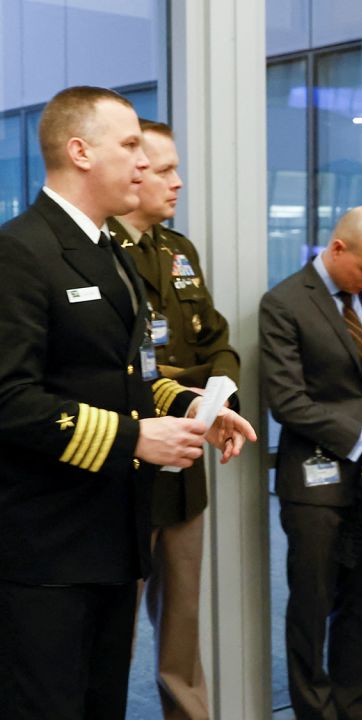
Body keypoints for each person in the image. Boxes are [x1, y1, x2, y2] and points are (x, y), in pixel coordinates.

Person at [0, 86, 255, 720]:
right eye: (132, 146)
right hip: (47, 550)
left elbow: (129, 372)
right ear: (80, 151)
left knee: (103, 704)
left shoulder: (113, 252)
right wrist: (133, 439)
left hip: (115, 537)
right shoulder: (19, 252)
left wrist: (194, 405)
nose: (145, 164)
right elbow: (10, 400)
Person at [260, 206, 362, 720]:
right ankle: (314, 712)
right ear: (337, 250)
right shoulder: (283, 304)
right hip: (315, 483)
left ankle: (353, 706)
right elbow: (287, 402)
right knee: (311, 608)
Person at [107, 119, 238, 720]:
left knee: (181, 633)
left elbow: (213, 336)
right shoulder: (98, 253)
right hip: (122, 467)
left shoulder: (178, 251)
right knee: (108, 638)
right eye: (163, 170)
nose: (177, 182)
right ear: (133, 176)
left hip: (183, 468)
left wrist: (218, 397)